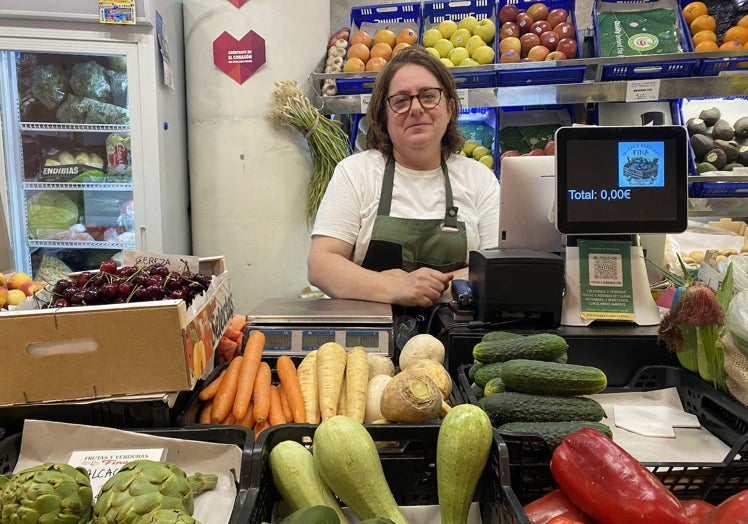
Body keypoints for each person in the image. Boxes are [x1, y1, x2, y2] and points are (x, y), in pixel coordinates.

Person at [307, 45, 500, 309]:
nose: (416, 108)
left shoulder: (479, 179)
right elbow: (321, 264)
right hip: (371, 344)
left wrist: (428, 289)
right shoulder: (356, 172)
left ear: (450, 108)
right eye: (400, 101)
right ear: (383, 116)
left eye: (428, 96)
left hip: (460, 339)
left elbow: (497, 268)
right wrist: (396, 287)